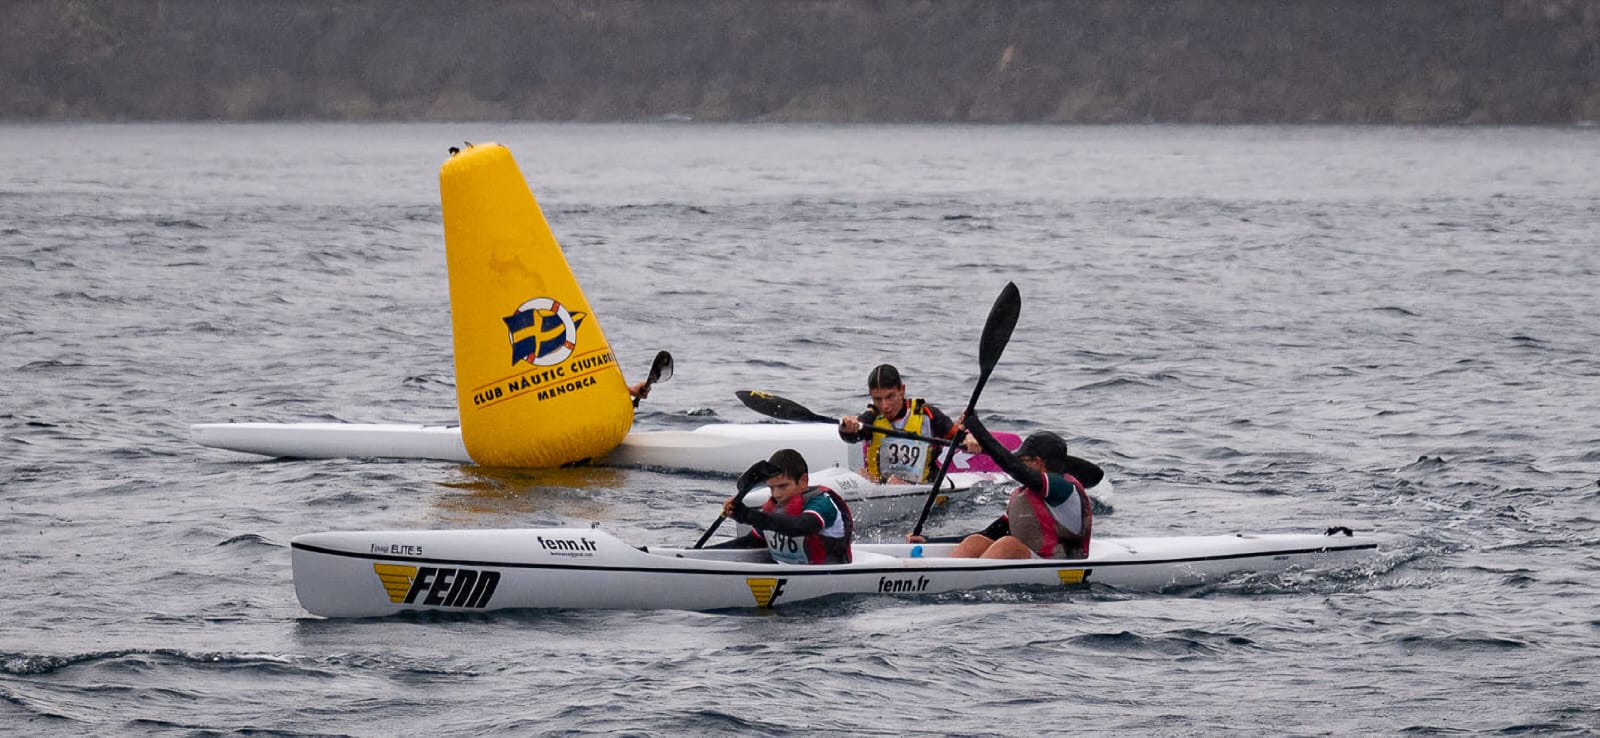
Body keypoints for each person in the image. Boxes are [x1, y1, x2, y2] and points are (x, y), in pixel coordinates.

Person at [909, 412, 1093, 560]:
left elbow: (1013, 467)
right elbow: (989, 533)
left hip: (1060, 565)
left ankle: (958, 579)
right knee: (976, 541)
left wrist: (978, 430)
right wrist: (929, 541)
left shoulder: (1063, 489)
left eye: (1023, 460)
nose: (1019, 463)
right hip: (1030, 561)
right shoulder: (1025, 495)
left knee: (1008, 545)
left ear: (1037, 462)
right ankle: (942, 576)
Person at [837, 364, 979, 484]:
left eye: (890, 396)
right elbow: (850, 436)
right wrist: (847, 426)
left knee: (894, 483)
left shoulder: (928, 415)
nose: (884, 406)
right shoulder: (872, 417)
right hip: (880, 493)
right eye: (877, 399)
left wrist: (968, 439)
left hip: (923, 492)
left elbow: (956, 436)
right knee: (861, 475)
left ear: (902, 390)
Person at [710, 449, 854, 564]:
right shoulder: (773, 507)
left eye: (783, 486)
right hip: (793, 575)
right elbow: (752, 542)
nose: (777, 494)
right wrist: (702, 554)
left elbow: (798, 526)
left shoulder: (822, 503)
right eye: (771, 488)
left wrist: (748, 515)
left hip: (830, 575)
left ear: (803, 481)